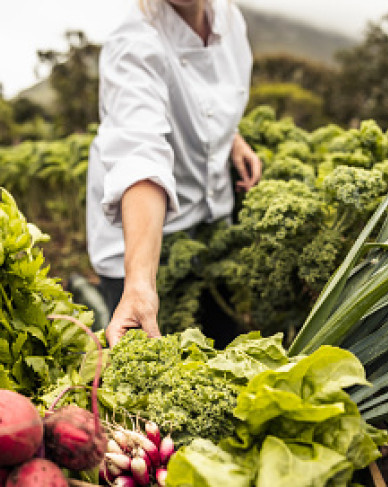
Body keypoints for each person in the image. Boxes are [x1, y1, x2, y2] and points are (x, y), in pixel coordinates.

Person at [86, 0, 262, 348]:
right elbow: (141, 156)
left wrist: (232, 138)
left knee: (223, 340)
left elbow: (208, 99)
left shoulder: (229, 19)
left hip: (208, 221)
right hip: (140, 240)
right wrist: (139, 284)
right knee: (156, 362)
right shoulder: (134, 43)